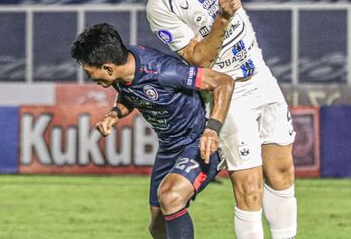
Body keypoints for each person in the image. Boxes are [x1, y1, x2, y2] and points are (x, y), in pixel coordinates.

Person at [132, 0, 351, 239]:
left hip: (260, 76)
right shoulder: (160, 7)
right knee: (249, 188)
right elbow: (199, 60)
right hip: (226, 93)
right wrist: (222, 18)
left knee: (282, 173)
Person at [71, 23, 235, 239]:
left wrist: (212, 130)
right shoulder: (122, 68)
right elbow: (128, 90)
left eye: (90, 73)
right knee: (158, 229)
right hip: (169, 148)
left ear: (109, 68)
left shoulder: (163, 71)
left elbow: (223, 82)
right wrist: (115, 113)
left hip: (199, 141)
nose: (90, 78)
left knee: (171, 197)